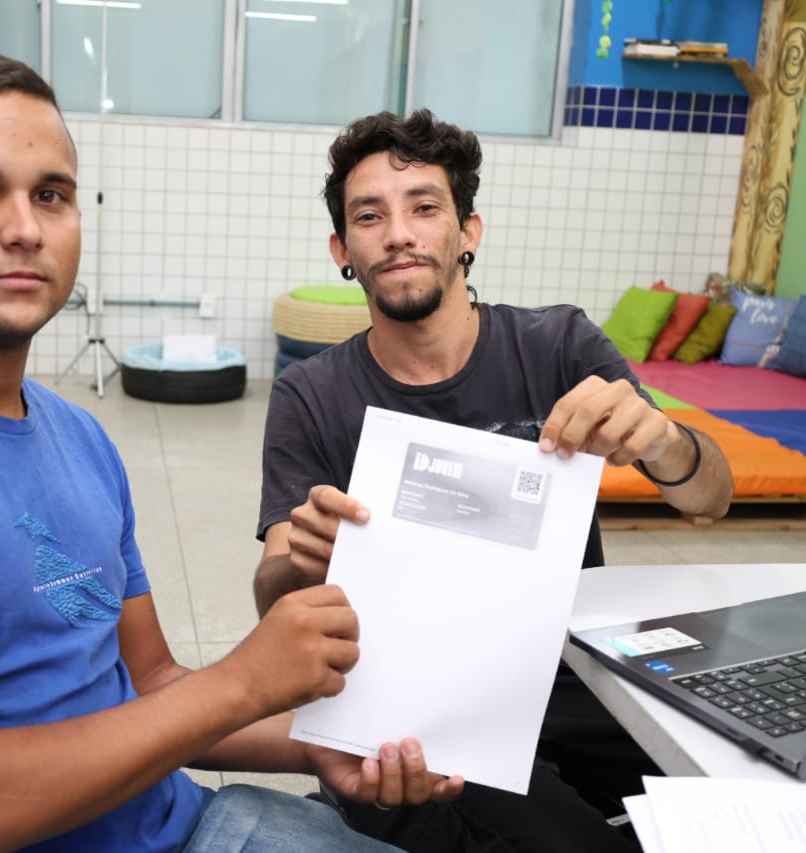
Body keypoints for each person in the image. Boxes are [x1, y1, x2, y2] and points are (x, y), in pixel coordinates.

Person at [0, 54, 464, 853]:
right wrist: (245, 679)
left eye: (51, 195)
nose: (24, 226)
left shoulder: (79, 437)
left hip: (186, 821)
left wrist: (319, 743)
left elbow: (151, 685)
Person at [253, 109, 734, 852]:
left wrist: (667, 441)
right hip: (410, 702)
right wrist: (302, 561)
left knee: (738, 779)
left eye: (424, 207)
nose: (399, 233)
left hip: (569, 670)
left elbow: (711, 496)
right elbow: (273, 591)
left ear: (467, 232)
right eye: (369, 215)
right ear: (342, 248)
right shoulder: (311, 394)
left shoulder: (558, 345)